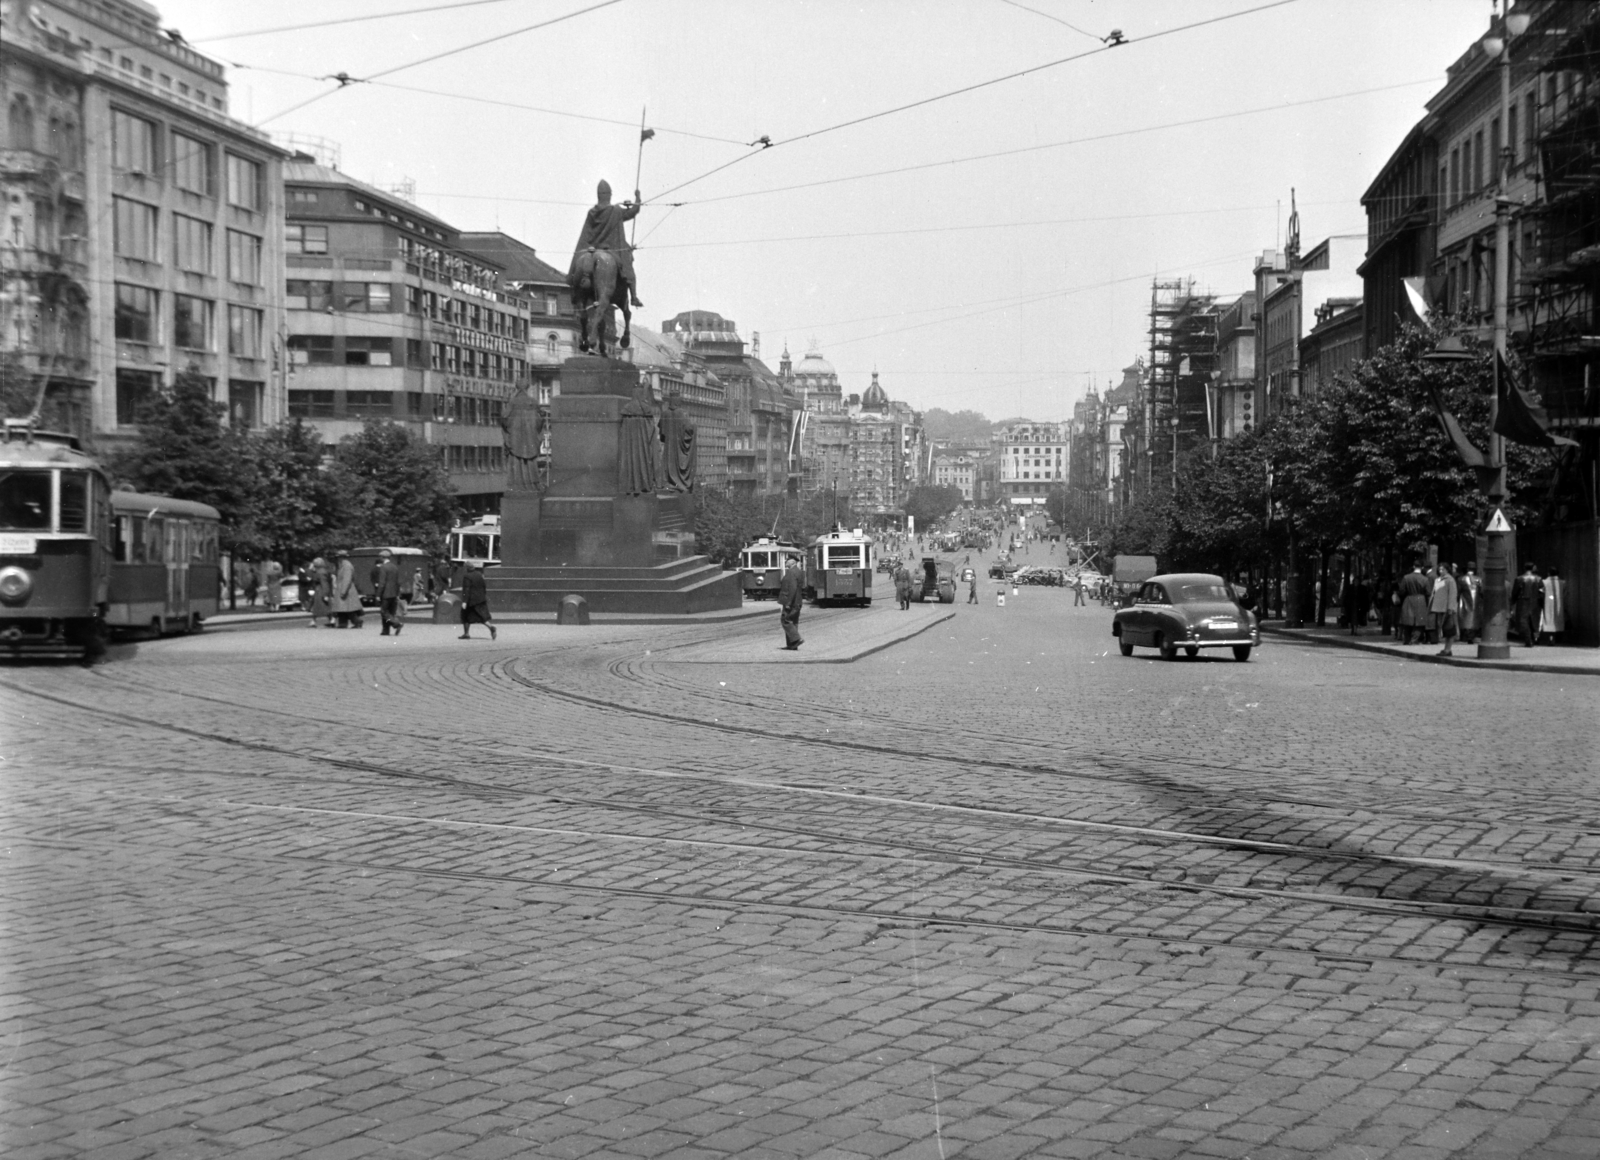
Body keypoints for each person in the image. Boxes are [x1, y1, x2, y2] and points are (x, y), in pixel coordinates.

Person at [568, 179, 644, 308]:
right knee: (628, 266)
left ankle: (576, 292)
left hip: (592, 249)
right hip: (612, 249)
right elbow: (633, 211)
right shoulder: (616, 210)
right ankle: (634, 297)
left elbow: (586, 234)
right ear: (609, 195)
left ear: (598, 195)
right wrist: (637, 197)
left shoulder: (591, 212)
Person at [459, 562, 496, 640]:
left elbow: (466, 589)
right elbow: (484, 586)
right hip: (480, 599)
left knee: (465, 616)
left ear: (467, 568)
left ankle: (466, 633)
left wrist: (465, 601)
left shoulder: (467, 576)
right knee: (481, 617)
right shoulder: (479, 574)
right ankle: (491, 627)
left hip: (471, 600)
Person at [1397, 561, 1431, 645]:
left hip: (1409, 599)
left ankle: (1407, 639)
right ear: (1422, 567)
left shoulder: (1406, 577)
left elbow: (1401, 591)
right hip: (1421, 600)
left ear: (1413, 566)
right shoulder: (1425, 579)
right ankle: (1414, 639)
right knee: (1419, 621)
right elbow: (1428, 592)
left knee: (1407, 620)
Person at [1511, 562, 1544, 648]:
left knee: (1523, 621)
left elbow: (1515, 593)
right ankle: (1533, 639)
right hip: (1535, 602)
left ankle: (1528, 639)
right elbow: (1542, 593)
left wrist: (1512, 603)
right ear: (1533, 568)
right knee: (1534, 621)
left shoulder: (1519, 579)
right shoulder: (1539, 579)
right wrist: (1542, 603)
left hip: (1522, 602)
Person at [1430, 562, 1459, 656]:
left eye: (1443, 569)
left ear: (1447, 570)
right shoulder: (1437, 579)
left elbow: (1452, 595)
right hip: (1439, 608)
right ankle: (1446, 649)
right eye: (1439, 569)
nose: (1440, 571)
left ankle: (1448, 649)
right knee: (1444, 630)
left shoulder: (1450, 580)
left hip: (1447, 609)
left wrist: (1451, 608)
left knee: (1449, 630)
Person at [375, 549, 404, 637]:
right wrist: (398, 593)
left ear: (383, 558)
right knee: (390, 613)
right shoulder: (395, 567)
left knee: (384, 612)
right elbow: (398, 582)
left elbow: (382, 583)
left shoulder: (383, 567)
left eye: (380, 557)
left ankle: (396, 624)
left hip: (386, 594)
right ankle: (385, 630)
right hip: (394, 594)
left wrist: (378, 594)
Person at [330, 551, 362, 629]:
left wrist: (343, 591)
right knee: (342, 608)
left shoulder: (347, 566)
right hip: (343, 588)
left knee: (348, 608)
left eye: (338, 557)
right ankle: (342, 623)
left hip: (347, 590)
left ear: (341, 557)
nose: (337, 559)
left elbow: (347, 579)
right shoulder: (343, 565)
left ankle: (356, 621)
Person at [778, 556, 805, 650]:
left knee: (785, 620)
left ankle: (797, 639)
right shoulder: (798, 571)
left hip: (791, 602)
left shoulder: (791, 572)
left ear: (792, 562)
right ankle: (792, 645)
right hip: (797, 601)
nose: (786, 561)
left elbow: (793, 588)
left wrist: (788, 603)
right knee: (793, 622)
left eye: (787, 560)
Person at [1457, 562, 1482, 645]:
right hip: (1477, 602)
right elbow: (1482, 592)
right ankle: (1473, 636)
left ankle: (1465, 636)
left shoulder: (1461, 579)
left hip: (1465, 601)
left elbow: (1458, 592)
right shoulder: (1479, 579)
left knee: (1465, 618)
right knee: (1475, 619)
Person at [1541, 566, 1566, 644]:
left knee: (1548, 619)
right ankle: (1555, 637)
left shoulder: (1544, 582)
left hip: (1547, 603)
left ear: (1548, 573)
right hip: (1559, 604)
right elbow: (1564, 593)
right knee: (1557, 619)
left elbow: (1541, 592)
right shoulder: (1563, 582)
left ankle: (1550, 637)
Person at [307, 557, 332, 627]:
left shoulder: (320, 572)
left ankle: (313, 621)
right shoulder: (322, 571)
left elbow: (324, 583)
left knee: (318, 607)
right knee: (325, 607)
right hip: (320, 590)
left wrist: (325, 594)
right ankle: (331, 619)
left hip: (320, 590)